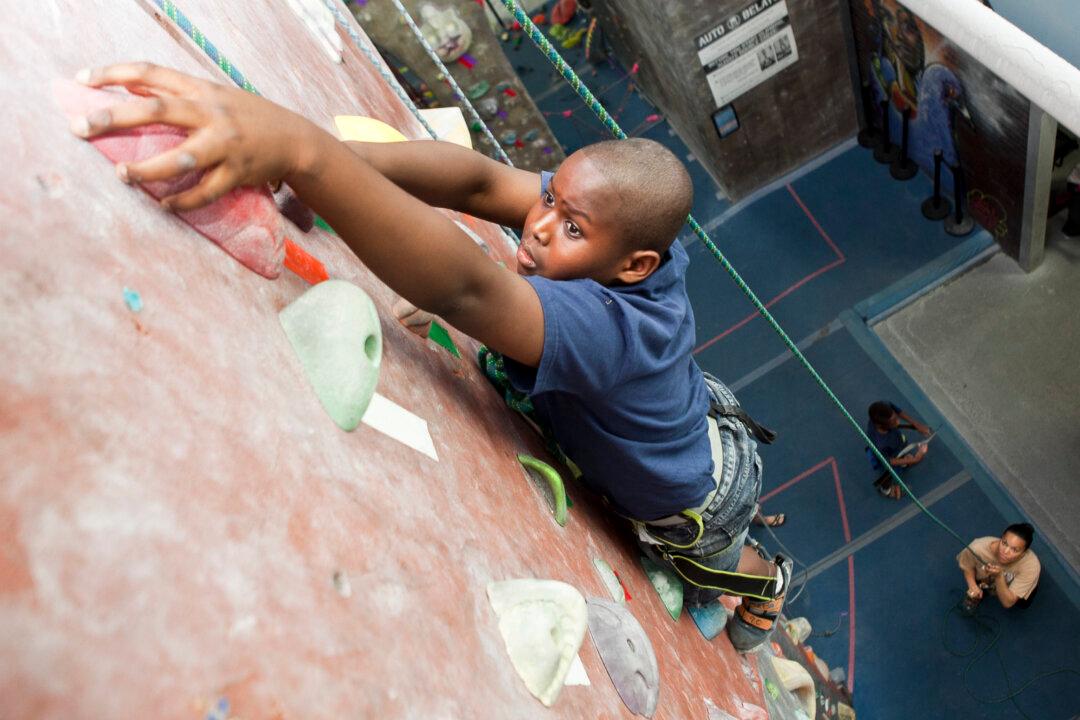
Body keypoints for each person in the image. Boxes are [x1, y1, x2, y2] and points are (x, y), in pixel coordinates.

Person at [69, 63, 790, 652]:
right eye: (550, 200)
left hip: (698, 501)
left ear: (635, 266)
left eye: (570, 227)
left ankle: (770, 584)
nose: (538, 226)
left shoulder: (611, 329)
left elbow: (466, 288)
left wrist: (304, 154)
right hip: (680, 411)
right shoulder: (620, 228)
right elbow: (481, 183)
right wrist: (335, 160)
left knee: (715, 568)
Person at [957, 523, 1041, 614]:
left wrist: (999, 576)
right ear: (1001, 538)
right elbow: (967, 565)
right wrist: (972, 585)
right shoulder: (977, 548)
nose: (1005, 551)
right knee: (981, 588)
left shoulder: (1031, 566)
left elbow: (1008, 603)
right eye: (1004, 543)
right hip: (987, 579)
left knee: (1023, 604)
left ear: (1023, 553)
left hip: (1014, 584)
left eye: (1014, 550)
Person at [865, 400, 931, 499]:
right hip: (889, 456)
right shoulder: (880, 443)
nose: (898, 422)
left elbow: (898, 411)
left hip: (896, 444)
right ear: (880, 425)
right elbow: (889, 461)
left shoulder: (884, 408)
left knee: (902, 453)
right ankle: (885, 489)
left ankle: (904, 460)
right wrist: (916, 458)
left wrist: (916, 425)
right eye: (893, 421)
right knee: (893, 471)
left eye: (896, 417)